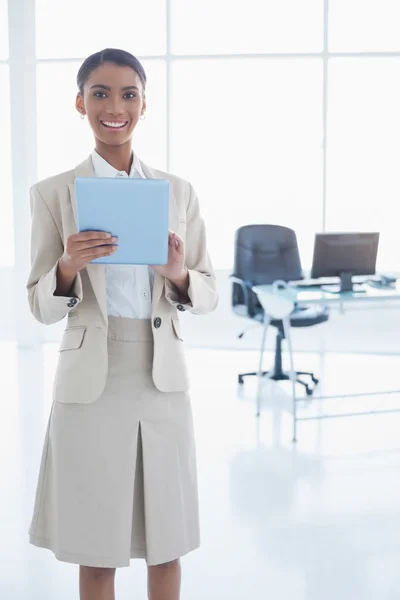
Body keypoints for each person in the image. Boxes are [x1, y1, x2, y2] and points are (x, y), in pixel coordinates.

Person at [27, 48, 218, 600]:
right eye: (101, 94)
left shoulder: (178, 192)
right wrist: (68, 267)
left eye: (128, 94)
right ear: (80, 102)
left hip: (161, 379)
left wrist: (179, 274)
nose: (115, 107)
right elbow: (38, 307)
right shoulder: (52, 194)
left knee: (167, 542)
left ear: (144, 103)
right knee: (96, 547)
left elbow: (207, 294)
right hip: (91, 379)